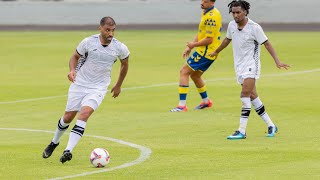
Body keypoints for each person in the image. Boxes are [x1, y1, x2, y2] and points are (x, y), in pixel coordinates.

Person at [42, 16, 130, 163]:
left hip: (98, 88)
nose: (111, 34)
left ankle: (68, 150)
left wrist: (118, 84)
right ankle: (54, 142)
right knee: (68, 117)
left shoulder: (120, 47)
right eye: (107, 30)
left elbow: (125, 64)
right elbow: (75, 56)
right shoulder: (88, 42)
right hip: (79, 84)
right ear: (100, 28)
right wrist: (71, 70)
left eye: (113, 30)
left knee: (84, 113)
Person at [209, 0, 290, 139]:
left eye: (238, 12)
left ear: (245, 12)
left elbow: (267, 44)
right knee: (253, 96)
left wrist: (277, 61)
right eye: (233, 12)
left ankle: (241, 130)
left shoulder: (254, 27)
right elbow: (227, 40)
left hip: (252, 65)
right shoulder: (231, 25)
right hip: (239, 66)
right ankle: (271, 125)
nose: (235, 15)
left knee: (245, 94)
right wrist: (216, 51)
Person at [170, 0, 222, 112]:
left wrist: (193, 44)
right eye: (202, 0)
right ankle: (206, 101)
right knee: (195, 76)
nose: (202, 2)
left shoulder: (212, 17)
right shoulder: (207, 12)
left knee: (184, 72)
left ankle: (181, 106)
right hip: (207, 52)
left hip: (205, 52)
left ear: (212, 2)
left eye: (206, 1)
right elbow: (201, 33)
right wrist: (190, 47)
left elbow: (209, 39)